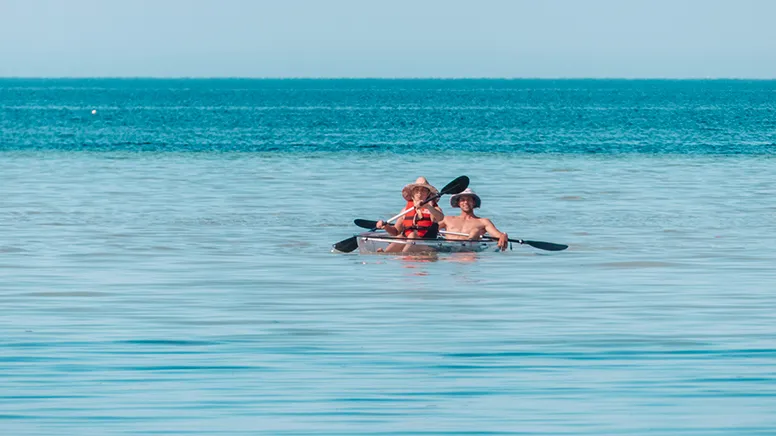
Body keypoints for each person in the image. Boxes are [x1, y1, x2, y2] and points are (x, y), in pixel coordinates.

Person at [375, 176, 445, 252]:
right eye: (417, 190)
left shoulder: (434, 208)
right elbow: (395, 231)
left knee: (412, 235)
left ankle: (403, 256)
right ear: (412, 193)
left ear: (428, 194)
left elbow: (440, 217)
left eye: (423, 190)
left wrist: (428, 206)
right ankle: (386, 254)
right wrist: (386, 226)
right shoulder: (405, 210)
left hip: (427, 244)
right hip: (409, 241)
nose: (419, 192)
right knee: (401, 237)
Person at [439, 188, 509, 251]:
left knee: (475, 231)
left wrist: (503, 236)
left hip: (470, 252)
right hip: (449, 251)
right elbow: (430, 229)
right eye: (462, 200)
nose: (466, 202)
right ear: (458, 203)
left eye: (469, 200)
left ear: (474, 202)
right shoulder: (447, 219)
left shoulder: (483, 222)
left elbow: (497, 235)